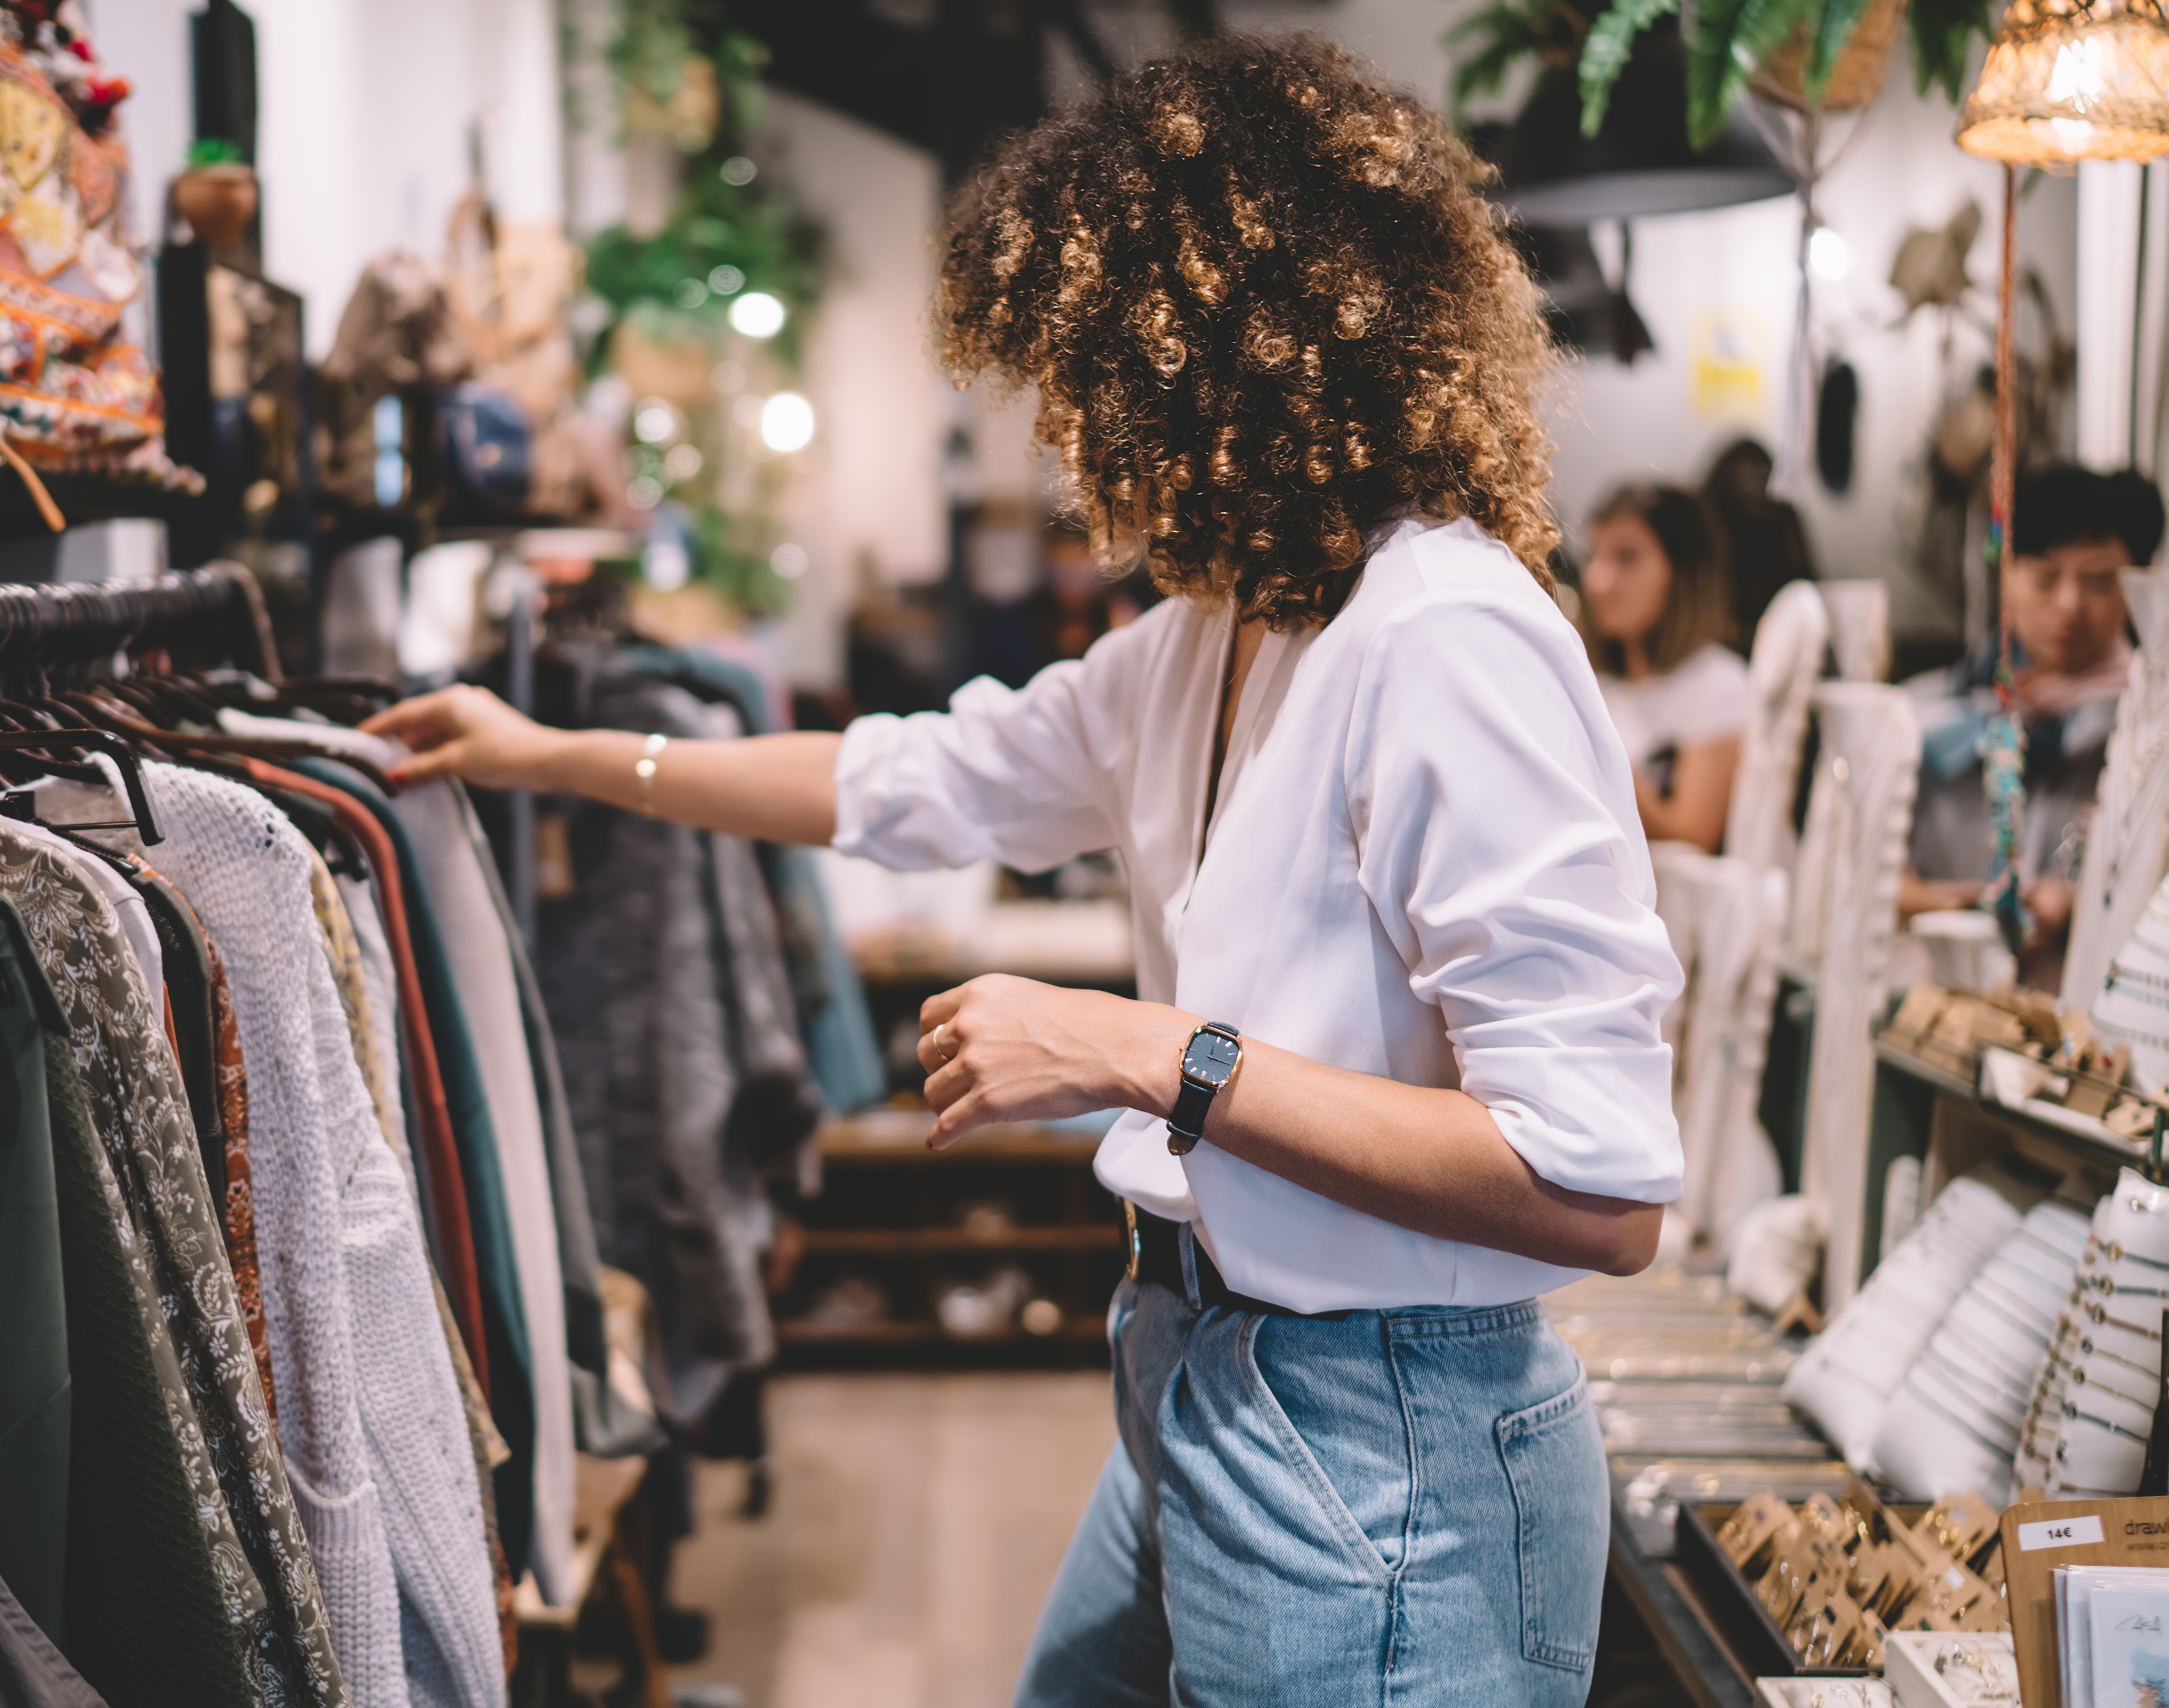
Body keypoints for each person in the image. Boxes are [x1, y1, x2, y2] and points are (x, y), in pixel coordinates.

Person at [362, 36, 1681, 1708]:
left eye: (1088, 381)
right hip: (1206, 1365)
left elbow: (1596, 1184)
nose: (1070, 441)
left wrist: (1150, 1054)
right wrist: (552, 755)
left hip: (1384, 1441)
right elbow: (911, 775)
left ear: (1221, 364)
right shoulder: (1218, 636)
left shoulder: (1451, 643)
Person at [1902, 464, 2167, 990]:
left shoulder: (2151, 732)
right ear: (2007, 575)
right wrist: (1959, 904)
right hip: (1932, 1004)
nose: (2070, 605)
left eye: (2099, 581)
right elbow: (1854, 876)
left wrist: (2085, 904)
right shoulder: (1922, 715)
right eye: (2046, 579)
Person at [1578, 483, 1749, 852]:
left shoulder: (1719, 682)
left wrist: (1598, 751)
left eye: (1626, 558)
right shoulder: (1596, 683)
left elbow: (1694, 837)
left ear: (1682, 572)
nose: (1598, 580)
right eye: (1594, 557)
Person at [1701, 437, 1815, 651]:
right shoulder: (1709, 516)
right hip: (1722, 630)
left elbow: (1808, 580)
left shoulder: (1783, 518)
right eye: (1748, 477)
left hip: (1782, 628)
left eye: (1761, 477)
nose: (1754, 486)